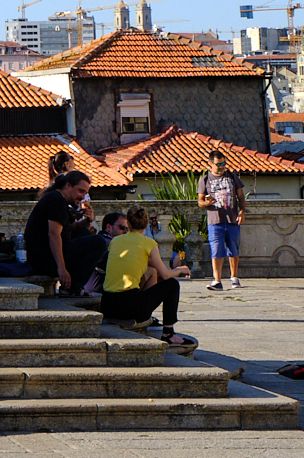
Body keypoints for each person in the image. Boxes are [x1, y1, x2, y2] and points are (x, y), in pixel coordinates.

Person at [101, 204, 195, 350]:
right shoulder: (149, 243)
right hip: (129, 307)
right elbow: (165, 274)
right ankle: (168, 333)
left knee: (151, 271)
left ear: (128, 224)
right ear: (147, 224)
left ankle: (148, 316)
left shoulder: (115, 241)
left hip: (107, 304)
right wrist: (179, 269)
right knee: (172, 285)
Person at [22, 169, 92, 290]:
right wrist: (62, 268)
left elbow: (75, 227)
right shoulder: (56, 200)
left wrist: (89, 219)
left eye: (85, 193)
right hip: (44, 261)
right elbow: (54, 234)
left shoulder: (61, 201)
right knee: (99, 243)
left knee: (84, 233)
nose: (82, 197)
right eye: (80, 191)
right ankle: (73, 287)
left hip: (47, 258)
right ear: (68, 185)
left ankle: (73, 286)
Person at [199, 146, 246, 290]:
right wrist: (207, 203)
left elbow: (241, 196)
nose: (221, 167)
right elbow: (200, 201)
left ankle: (234, 278)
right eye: (218, 164)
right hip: (215, 221)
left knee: (233, 249)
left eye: (223, 163)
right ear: (210, 164)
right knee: (216, 250)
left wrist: (242, 212)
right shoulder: (205, 180)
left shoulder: (232, 177)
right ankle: (217, 280)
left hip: (232, 219)